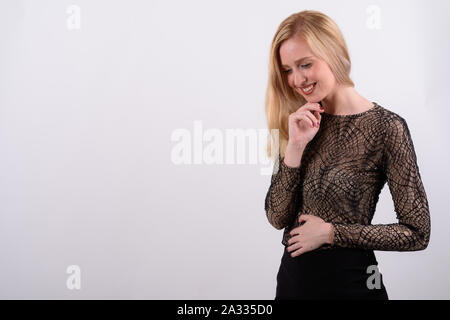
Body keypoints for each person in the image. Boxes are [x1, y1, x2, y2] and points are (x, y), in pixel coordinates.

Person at [264, 10, 431, 300]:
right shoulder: (300, 122)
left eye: (305, 64)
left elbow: (417, 232)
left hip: (354, 285)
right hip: (293, 285)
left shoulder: (386, 127)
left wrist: (331, 233)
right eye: (288, 69)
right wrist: (294, 148)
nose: (296, 79)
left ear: (334, 54)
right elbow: (277, 217)